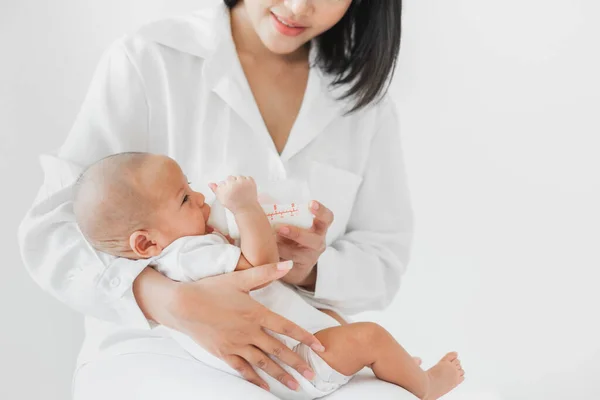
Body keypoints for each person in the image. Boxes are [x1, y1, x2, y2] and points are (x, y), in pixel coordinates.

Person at [19, 1, 420, 398]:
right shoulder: (150, 59)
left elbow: (383, 257)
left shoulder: (365, 105)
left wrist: (307, 270)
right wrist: (168, 300)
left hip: (307, 347)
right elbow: (53, 229)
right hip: (160, 346)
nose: (299, 6)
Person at [71, 152, 465, 399]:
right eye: (186, 199)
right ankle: (425, 386)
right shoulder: (189, 254)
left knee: (338, 326)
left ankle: (393, 368)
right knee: (369, 336)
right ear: (145, 243)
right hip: (294, 366)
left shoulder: (176, 258)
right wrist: (245, 207)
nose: (202, 199)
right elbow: (260, 265)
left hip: (281, 363)